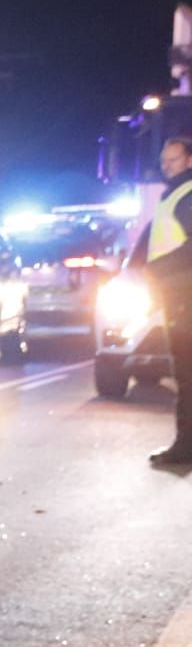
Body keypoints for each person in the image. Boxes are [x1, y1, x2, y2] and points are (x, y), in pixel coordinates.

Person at [144, 135, 192, 466]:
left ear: (189, 161)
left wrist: (156, 268)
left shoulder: (186, 195)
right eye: (164, 161)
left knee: (187, 376)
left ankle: (185, 449)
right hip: (177, 295)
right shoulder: (173, 195)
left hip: (185, 296)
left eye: (173, 160)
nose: (167, 166)